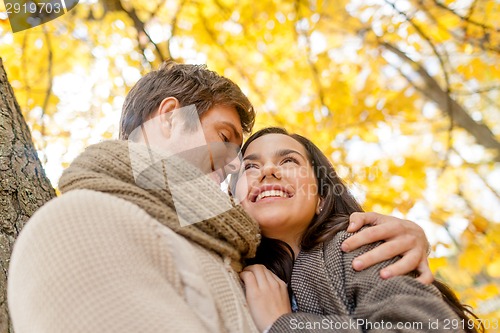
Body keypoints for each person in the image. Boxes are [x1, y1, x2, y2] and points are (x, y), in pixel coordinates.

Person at [8, 61, 429, 332]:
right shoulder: (82, 222)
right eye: (228, 141)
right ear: (171, 118)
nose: (234, 169)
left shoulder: (241, 256)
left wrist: (406, 238)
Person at [234, 127, 483, 333]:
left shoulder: (356, 248)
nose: (267, 171)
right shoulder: (237, 268)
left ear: (321, 197)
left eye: (289, 160)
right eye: (250, 167)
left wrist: (282, 325)